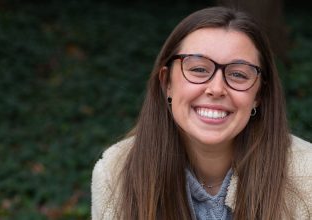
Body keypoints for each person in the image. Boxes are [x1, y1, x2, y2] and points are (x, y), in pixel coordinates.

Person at [91, 6, 312, 220]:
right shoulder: (115, 171)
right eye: (198, 69)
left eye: (238, 74)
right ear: (167, 82)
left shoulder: (307, 175)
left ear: (258, 95)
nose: (216, 89)